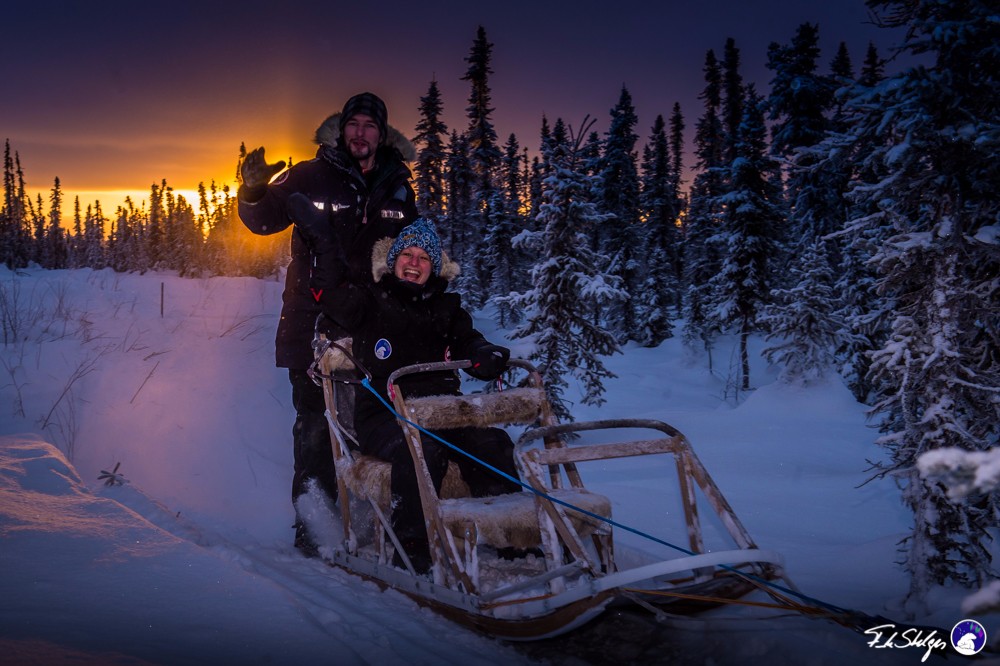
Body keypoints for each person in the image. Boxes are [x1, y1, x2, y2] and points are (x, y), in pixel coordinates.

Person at [291, 210, 522, 574]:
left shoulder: (448, 308)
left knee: (494, 444)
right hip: (387, 417)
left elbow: (467, 340)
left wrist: (480, 353)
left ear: (434, 266)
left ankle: (511, 537)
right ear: (394, 260)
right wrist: (322, 243)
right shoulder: (369, 301)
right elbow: (330, 294)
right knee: (421, 452)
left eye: (423, 257)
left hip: (446, 414)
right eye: (407, 255)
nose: (414, 263)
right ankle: (412, 547)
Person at [237, 92, 418, 556]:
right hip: (313, 324)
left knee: (374, 425)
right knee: (317, 428)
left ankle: (373, 523)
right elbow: (264, 220)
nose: (360, 133)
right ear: (342, 130)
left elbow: (411, 251)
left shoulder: (397, 185)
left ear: (381, 134)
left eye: (369, 126)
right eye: (353, 124)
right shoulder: (312, 175)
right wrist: (254, 192)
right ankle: (315, 527)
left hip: (373, 328)